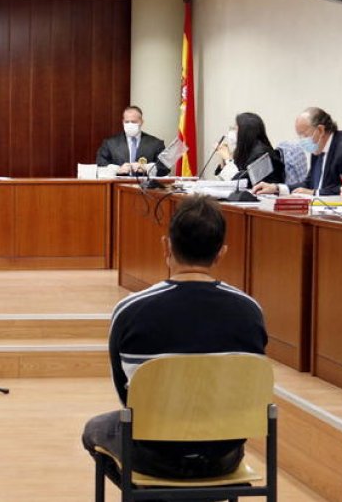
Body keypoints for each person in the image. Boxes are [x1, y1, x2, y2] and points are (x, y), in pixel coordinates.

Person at [82, 195, 267, 480]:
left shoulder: (131, 310)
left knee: (95, 429)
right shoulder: (250, 311)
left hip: (153, 453)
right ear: (221, 253)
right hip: (222, 454)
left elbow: (126, 395)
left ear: (166, 247)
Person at [253, 107, 342, 197]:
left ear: (320, 130)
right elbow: (308, 184)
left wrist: (314, 193)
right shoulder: (319, 149)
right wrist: (277, 188)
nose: (302, 140)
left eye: (304, 135)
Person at [96, 106, 170, 176]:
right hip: (118, 186)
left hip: (146, 187)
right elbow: (100, 164)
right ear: (123, 122)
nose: (130, 124)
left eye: (133, 122)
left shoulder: (155, 143)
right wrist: (118, 169)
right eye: (127, 122)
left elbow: (164, 167)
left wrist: (146, 168)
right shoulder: (110, 143)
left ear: (141, 122)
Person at [214, 112, 285, 184]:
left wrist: (228, 159)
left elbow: (240, 182)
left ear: (245, 131)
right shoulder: (244, 151)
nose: (232, 132)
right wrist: (223, 161)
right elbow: (223, 182)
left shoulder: (262, 154)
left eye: (235, 128)